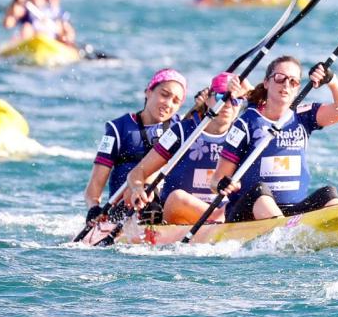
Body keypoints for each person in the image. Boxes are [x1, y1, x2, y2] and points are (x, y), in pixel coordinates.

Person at [212, 56, 338, 222]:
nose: (286, 85)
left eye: (293, 81)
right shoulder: (245, 123)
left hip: (290, 212)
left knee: (329, 193)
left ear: (298, 88)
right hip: (248, 211)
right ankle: (285, 232)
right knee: (261, 191)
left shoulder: (303, 116)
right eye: (280, 78)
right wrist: (222, 185)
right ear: (266, 82)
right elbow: (216, 181)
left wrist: (331, 80)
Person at [123, 72, 252, 225]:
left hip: (223, 211)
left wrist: (249, 89)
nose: (228, 104)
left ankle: (220, 218)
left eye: (235, 99)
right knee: (177, 197)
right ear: (208, 99)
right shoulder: (181, 132)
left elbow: (276, 103)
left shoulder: (244, 134)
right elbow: (138, 172)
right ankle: (218, 217)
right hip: (178, 214)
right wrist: (138, 189)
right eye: (221, 97)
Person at [83, 69, 186, 223]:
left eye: (176, 101)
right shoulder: (118, 129)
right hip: (126, 209)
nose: (168, 104)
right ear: (148, 92)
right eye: (164, 94)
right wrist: (93, 207)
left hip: (165, 209)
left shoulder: (183, 127)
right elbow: (96, 183)